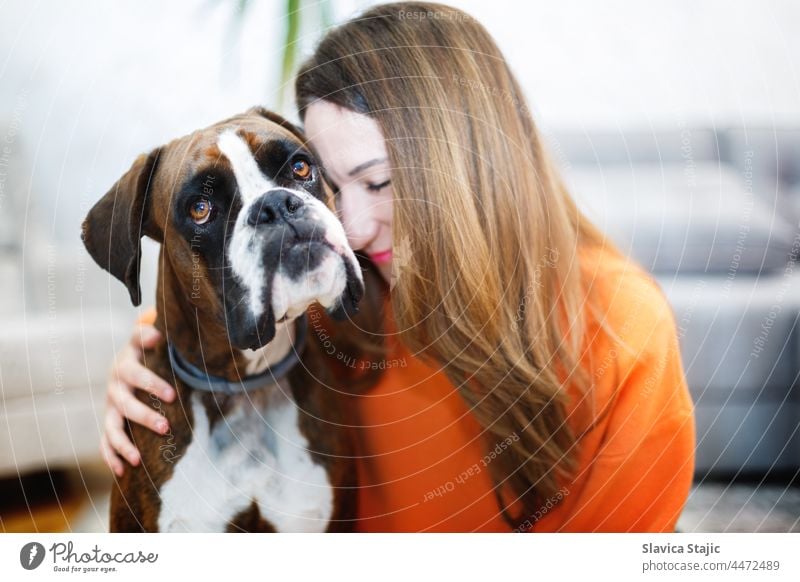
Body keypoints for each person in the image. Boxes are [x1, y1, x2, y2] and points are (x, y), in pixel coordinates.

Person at [101, 1, 695, 532]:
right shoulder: (337, 306)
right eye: (329, 186)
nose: (353, 229)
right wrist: (147, 364)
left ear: (475, 168)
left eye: (379, 181)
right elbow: (222, 313)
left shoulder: (623, 332)